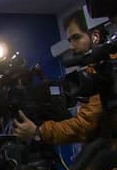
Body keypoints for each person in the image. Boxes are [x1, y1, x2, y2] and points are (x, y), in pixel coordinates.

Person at [12, 11, 104, 147]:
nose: (72, 46)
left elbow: (86, 125)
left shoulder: (102, 72)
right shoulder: (95, 70)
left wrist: (39, 131)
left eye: (76, 38)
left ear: (95, 36)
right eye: (69, 41)